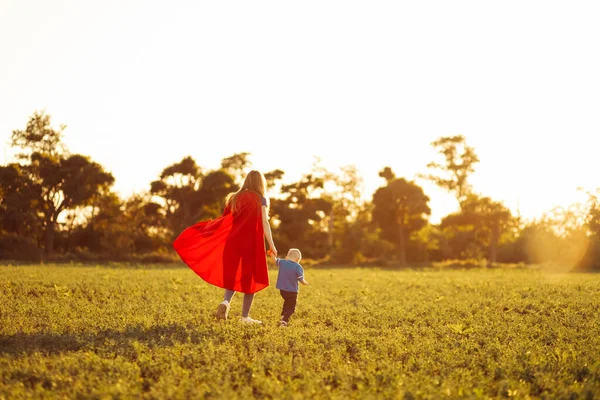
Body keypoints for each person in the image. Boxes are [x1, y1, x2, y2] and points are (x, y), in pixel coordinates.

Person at [173, 170, 277, 324]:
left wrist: (208, 230)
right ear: (260, 183)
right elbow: (264, 223)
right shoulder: (260, 199)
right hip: (251, 244)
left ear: (246, 181)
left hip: (232, 243)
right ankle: (245, 317)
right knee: (250, 279)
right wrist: (272, 245)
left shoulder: (233, 198)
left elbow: (225, 220)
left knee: (233, 276)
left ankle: (226, 302)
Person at [268, 248, 309, 327]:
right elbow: (301, 279)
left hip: (282, 291)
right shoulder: (298, 267)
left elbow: (275, 260)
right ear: (298, 259)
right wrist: (304, 282)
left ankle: (283, 314)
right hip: (292, 292)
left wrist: (271, 254)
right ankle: (284, 320)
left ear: (287, 256)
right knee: (291, 308)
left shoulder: (283, 262)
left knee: (286, 301)